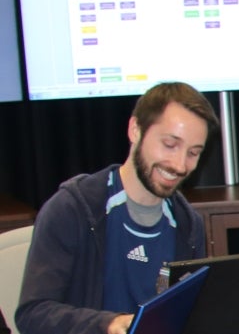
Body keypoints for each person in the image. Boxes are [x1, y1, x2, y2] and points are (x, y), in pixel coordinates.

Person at [15, 82, 219, 334]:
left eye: (193, 153)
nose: (179, 164)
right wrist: (108, 324)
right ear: (135, 130)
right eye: (169, 144)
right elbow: (32, 314)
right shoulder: (73, 208)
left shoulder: (188, 224)